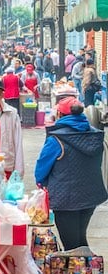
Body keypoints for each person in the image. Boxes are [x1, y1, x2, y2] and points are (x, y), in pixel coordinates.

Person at [35, 98, 108, 250]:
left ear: (60, 114)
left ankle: (81, 272)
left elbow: (41, 169)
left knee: (71, 245)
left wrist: (41, 183)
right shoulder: (95, 136)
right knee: (80, 238)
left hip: (66, 199)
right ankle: (90, 271)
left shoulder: (56, 139)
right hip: (90, 197)